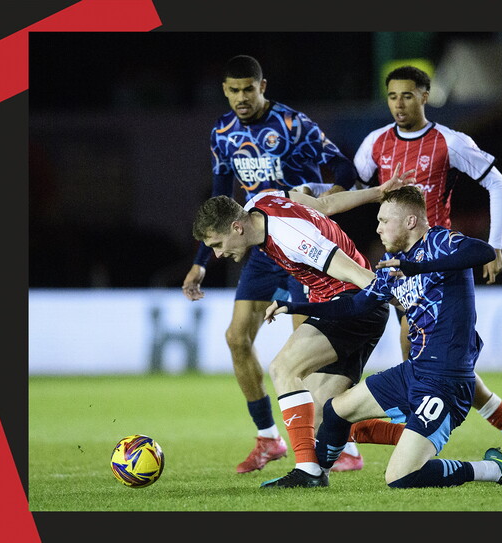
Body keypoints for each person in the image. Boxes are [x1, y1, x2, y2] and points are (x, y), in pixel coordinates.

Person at [265, 186, 502, 488]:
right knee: (335, 411)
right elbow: (356, 304)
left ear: (410, 221)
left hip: (446, 381)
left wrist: (418, 268)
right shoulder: (391, 264)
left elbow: (483, 252)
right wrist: (294, 306)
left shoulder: (440, 242)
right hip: (414, 372)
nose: (378, 227)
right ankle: (316, 475)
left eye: (385, 220)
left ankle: (494, 469)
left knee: (400, 477)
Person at [181, 55, 365, 473]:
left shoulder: (293, 124)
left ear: (263, 85)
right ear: (224, 91)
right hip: (259, 246)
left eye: (249, 88)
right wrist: (202, 262)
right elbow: (218, 199)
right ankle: (269, 439)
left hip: (297, 243)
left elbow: (344, 167)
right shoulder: (222, 133)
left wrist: (321, 207)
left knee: (307, 352)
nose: (241, 97)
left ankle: (339, 442)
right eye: (233, 90)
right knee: (236, 337)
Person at [353, 65, 502, 464]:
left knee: (416, 342)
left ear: (425, 96)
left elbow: (497, 183)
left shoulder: (449, 142)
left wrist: (496, 245)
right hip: (397, 261)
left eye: (407, 95)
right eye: (392, 97)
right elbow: (356, 190)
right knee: (442, 360)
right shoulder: (374, 144)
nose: (399, 104)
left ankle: (414, 419)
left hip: (440, 260)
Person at [192, 169, 416, 489]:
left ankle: (308, 471)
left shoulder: (294, 239)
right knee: (327, 414)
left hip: (350, 307)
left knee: (283, 367)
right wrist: (377, 192)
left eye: (216, 243)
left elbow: (357, 275)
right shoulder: (262, 200)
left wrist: (413, 305)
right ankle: (422, 436)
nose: (217, 254)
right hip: (352, 308)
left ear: (236, 227)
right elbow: (322, 206)